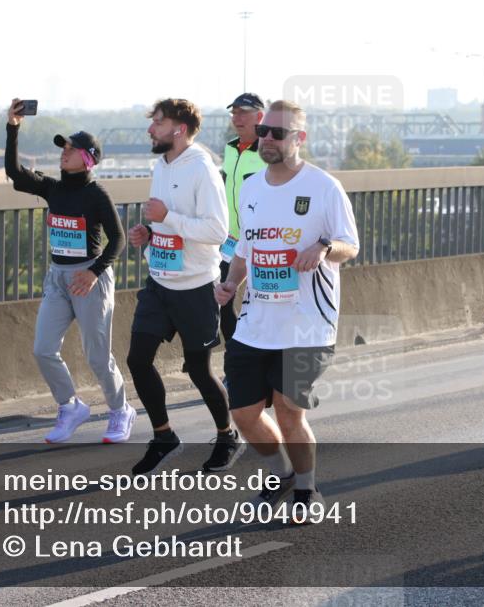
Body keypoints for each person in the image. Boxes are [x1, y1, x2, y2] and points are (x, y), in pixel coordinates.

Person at [214, 100, 359, 523]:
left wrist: (325, 247)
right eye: (264, 132)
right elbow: (246, 248)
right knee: (242, 413)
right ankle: (280, 474)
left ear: (300, 138)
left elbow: (350, 245)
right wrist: (230, 283)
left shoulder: (324, 187)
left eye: (279, 133)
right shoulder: (252, 187)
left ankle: (306, 488)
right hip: (256, 322)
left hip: (306, 324)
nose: (268, 139)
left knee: (287, 409)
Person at [4, 98, 134, 444]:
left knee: (97, 356)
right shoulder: (53, 187)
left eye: (72, 149)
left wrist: (93, 273)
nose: (65, 152)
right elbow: (15, 174)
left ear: (88, 159)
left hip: (89, 279)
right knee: (43, 349)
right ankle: (70, 406)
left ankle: (120, 410)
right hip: (58, 278)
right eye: (64, 147)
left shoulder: (96, 194)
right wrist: (13, 127)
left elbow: (118, 239)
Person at [126, 98, 242, 474]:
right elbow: (167, 223)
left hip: (195, 287)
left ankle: (227, 435)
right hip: (159, 280)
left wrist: (167, 217)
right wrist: (149, 231)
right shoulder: (162, 164)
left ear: (178, 129)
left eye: (157, 123)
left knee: (197, 370)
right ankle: (164, 437)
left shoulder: (202, 170)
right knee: (137, 360)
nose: (150, 129)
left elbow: (215, 231)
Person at [219, 93, 267, 341]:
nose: (237, 118)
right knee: (222, 301)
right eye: (234, 112)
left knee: (259, 308)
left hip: (262, 243)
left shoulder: (269, 152)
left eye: (243, 113)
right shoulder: (230, 148)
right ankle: (235, 363)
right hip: (230, 241)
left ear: (260, 116)